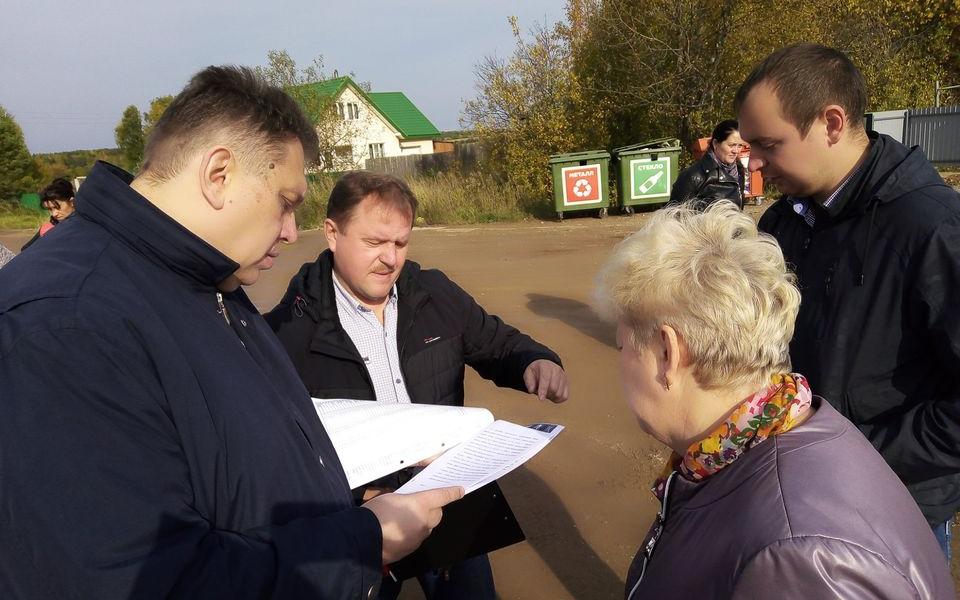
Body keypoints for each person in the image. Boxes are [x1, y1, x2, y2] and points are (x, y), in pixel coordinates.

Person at [0, 66, 463, 599]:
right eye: (286, 203)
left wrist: (345, 504)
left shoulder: (205, 276)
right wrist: (361, 542)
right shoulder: (66, 324)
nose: (291, 231)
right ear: (218, 174)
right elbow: (142, 580)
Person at [592, 201, 953, 599]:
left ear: (668, 353)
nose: (619, 363)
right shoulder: (783, 430)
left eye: (622, 346)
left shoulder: (796, 558)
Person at [265, 170, 570, 599]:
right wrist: (360, 496)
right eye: (374, 242)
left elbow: (496, 341)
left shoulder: (435, 293)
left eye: (401, 243)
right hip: (365, 520)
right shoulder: (287, 331)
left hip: (449, 498)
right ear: (332, 234)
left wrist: (534, 361)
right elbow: (281, 451)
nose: (390, 259)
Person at [735, 43, 960, 557]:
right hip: (794, 494)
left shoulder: (933, 229)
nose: (755, 163)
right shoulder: (783, 222)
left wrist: (855, 456)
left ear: (831, 123)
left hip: (893, 513)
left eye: (768, 144)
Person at [668, 120, 745, 209]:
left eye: (740, 146)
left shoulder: (739, 172)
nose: (736, 151)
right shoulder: (693, 176)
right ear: (715, 144)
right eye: (731, 145)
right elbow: (675, 213)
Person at [21, 177, 76, 251]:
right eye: (50, 209)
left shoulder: (87, 225)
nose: (54, 214)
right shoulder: (48, 229)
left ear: (72, 202)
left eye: (57, 207)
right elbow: (25, 249)